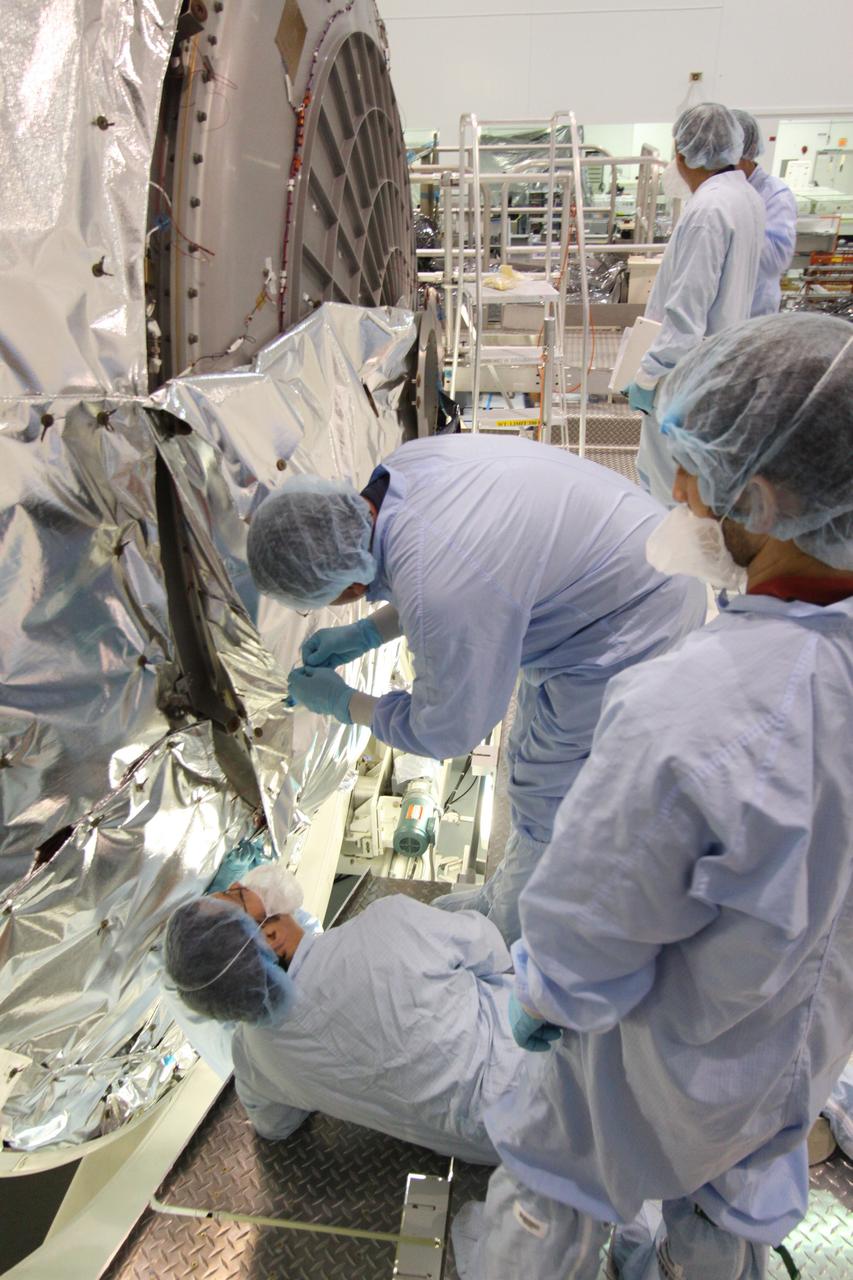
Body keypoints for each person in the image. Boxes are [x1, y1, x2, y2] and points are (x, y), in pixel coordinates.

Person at [454, 312, 853, 1280]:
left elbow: (593, 917)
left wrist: (545, 994)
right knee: (729, 1209)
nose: (679, 493)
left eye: (701, 476)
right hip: (798, 1052)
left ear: (762, 499)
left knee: (557, 1181)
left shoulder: (693, 706)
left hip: (667, 1061)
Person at [246, 436, 707, 944]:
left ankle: (514, 937)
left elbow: (444, 730)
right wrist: (364, 635)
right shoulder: (398, 478)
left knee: (550, 790)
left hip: (632, 620)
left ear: (349, 586)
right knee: (527, 756)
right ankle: (504, 896)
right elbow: (436, 577)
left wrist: (342, 703)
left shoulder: (440, 584)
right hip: (623, 559)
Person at [164, 885, 526, 1163]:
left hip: (509, 1150)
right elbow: (494, 950)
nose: (245, 883)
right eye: (237, 894)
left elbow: (275, 1125)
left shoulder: (255, 1054)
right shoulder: (388, 923)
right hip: (541, 1060)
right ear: (270, 937)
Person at [626, 102, 765, 506]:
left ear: (684, 152)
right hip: (720, 364)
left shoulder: (708, 210)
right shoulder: (745, 197)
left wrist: (649, 375)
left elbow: (687, 309)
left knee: (669, 492)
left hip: (684, 377)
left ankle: (667, 549)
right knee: (694, 490)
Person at [732, 109, 799, 318]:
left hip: (754, 311)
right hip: (722, 313)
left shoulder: (775, 195)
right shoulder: (720, 191)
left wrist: (729, 233)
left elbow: (775, 259)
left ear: (740, 154)